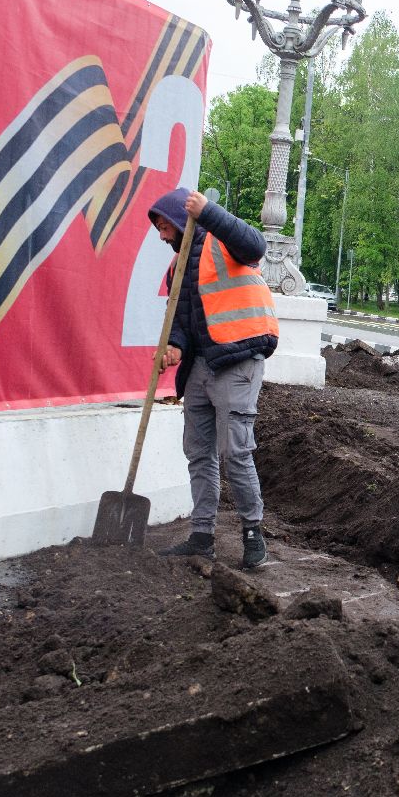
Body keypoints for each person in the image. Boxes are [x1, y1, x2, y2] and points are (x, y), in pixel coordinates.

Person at [147, 188, 279, 567]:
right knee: (198, 452)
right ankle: (202, 535)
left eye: (163, 226)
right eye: (157, 229)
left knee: (235, 451)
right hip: (201, 366)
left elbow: (255, 246)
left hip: (237, 360)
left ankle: (253, 534)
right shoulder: (177, 267)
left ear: (180, 218)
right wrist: (173, 344)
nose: (161, 235)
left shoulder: (223, 242)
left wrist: (209, 211)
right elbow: (184, 320)